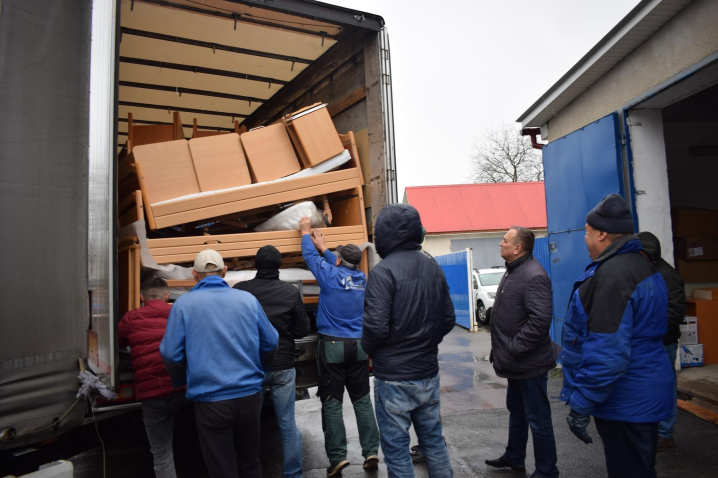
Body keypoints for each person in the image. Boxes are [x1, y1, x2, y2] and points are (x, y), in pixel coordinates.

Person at [561, 194, 673, 478]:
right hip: (643, 391)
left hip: (627, 400)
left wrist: (582, 403)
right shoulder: (641, 265)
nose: (585, 239)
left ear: (601, 234)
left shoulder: (614, 275)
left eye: (587, 233)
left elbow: (608, 353)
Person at [160, 249, 279, 478]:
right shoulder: (247, 300)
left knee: (222, 468)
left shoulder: (183, 305)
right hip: (249, 397)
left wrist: (182, 379)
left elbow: (170, 353)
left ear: (194, 274)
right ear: (224, 271)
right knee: (251, 462)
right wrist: (260, 370)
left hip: (210, 399)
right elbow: (271, 341)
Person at [362, 204, 455, 478]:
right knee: (434, 442)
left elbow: (375, 329)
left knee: (397, 450)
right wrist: (426, 342)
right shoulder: (432, 266)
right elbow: (448, 318)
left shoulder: (383, 272)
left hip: (394, 378)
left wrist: (371, 349)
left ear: (383, 235)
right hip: (427, 372)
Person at [299, 217, 380, 476]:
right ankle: (371, 452)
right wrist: (328, 252)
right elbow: (335, 262)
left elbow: (310, 257)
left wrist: (306, 234)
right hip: (358, 346)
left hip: (332, 345)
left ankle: (337, 458)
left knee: (332, 402)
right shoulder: (362, 280)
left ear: (337, 261)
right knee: (362, 400)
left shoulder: (330, 275)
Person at [485, 227, 559, 478]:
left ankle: (547, 471)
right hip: (516, 363)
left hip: (529, 363)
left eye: (504, 240)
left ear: (518, 248)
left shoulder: (533, 275)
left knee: (538, 420)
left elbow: (540, 321)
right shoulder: (515, 270)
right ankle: (515, 457)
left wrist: (515, 348)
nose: (500, 243)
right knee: (517, 411)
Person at [233, 245, 310, 478]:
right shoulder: (289, 292)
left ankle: (249, 472)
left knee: (249, 424)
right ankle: (294, 474)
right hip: (284, 365)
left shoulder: (240, 291)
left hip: (251, 367)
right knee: (287, 424)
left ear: (256, 264)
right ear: (279, 266)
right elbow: (301, 330)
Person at [118, 278, 187, 478]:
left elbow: (118, 342)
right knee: (209, 436)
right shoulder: (178, 313)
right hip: (183, 388)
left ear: (142, 297)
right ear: (167, 297)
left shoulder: (131, 318)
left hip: (153, 394)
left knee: (162, 453)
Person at [637, 231, 686, 452]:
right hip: (650, 342)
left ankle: (665, 434)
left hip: (664, 342)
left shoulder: (667, 274)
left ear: (648, 253)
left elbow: (675, 312)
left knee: (666, 387)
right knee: (651, 388)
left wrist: (652, 331)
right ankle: (654, 430)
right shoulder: (645, 272)